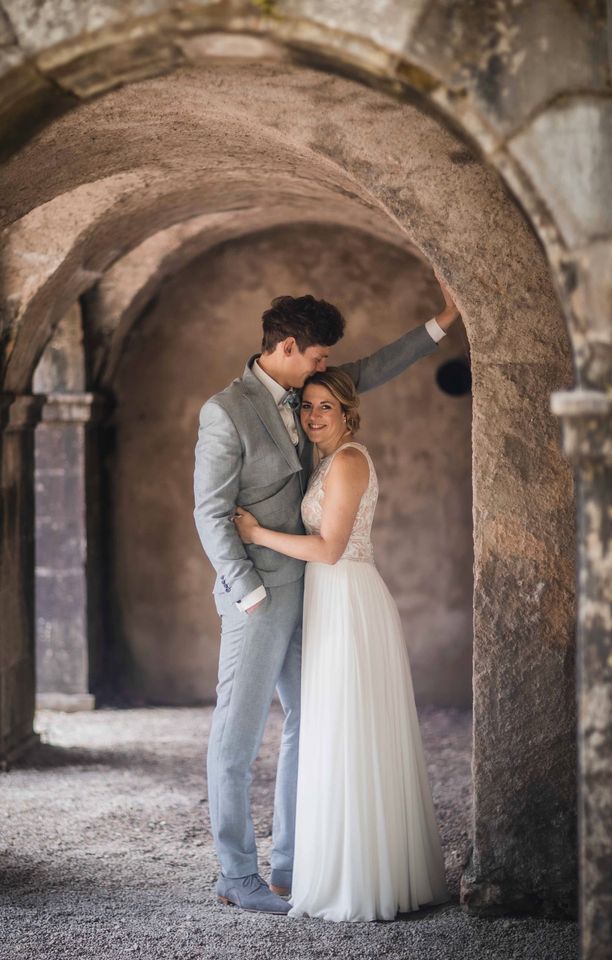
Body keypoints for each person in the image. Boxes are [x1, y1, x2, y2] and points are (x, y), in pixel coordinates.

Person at [193, 276, 458, 914]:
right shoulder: (225, 411)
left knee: (309, 726)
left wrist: (444, 320)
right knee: (238, 734)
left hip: (314, 591)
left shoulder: (314, 396)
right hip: (258, 596)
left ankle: (288, 864)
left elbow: (375, 366)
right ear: (288, 346)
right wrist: (247, 590)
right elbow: (209, 512)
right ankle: (236, 873)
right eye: (319, 356)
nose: (328, 368)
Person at [232, 369, 449, 921]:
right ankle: (333, 864)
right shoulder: (325, 462)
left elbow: (329, 549)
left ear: (348, 412)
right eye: (307, 406)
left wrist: (255, 534)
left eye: (326, 406)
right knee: (334, 731)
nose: (314, 415)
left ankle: (363, 879)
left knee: (350, 732)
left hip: (349, 599)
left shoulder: (350, 461)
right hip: (326, 603)